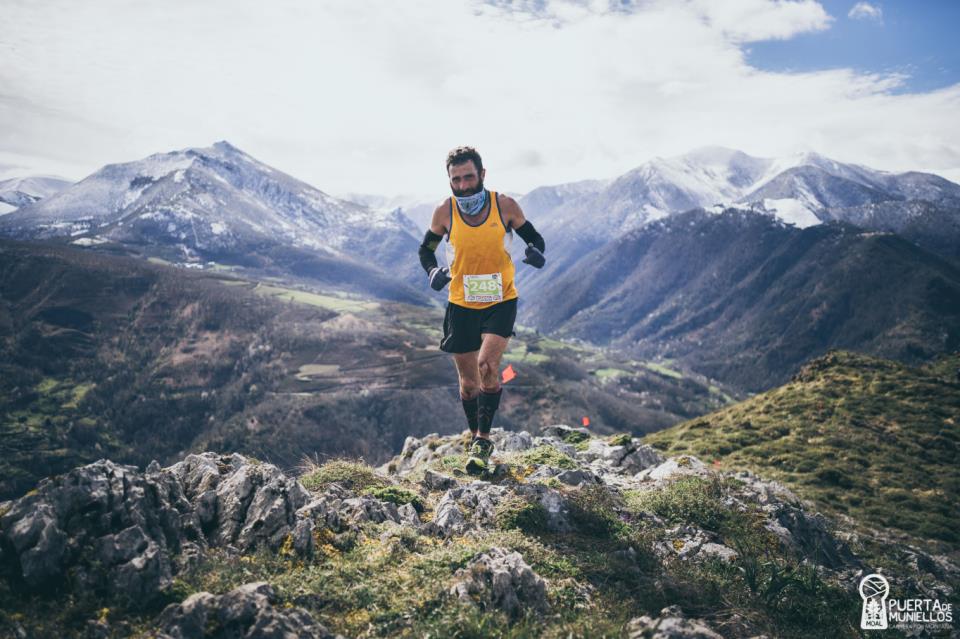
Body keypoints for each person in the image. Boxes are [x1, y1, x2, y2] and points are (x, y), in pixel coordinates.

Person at [418, 146, 546, 474]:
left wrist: (535, 252)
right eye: (456, 179)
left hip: (501, 300)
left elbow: (535, 239)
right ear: (449, 180)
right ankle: (476, 436)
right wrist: (433, 273)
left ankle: (483, 440)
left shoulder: (504, 206)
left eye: (469, 177)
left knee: (487, 365)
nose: (463, 186)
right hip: (461, 305)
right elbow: (426, 250)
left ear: (482, 175)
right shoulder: (444, 213)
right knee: (468, 385)